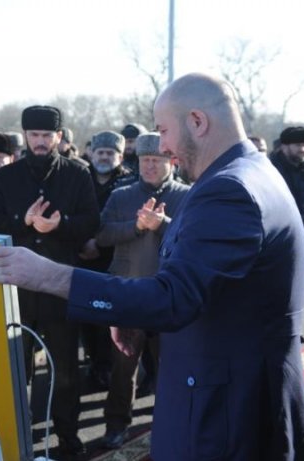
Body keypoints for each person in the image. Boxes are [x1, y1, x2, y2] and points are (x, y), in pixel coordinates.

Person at [0, 73, 304, 460]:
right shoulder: (250, 172)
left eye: (163, 131)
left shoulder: (230, 189)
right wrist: (135, 313)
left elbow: (175, 297)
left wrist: (48, 274)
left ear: (197, 121)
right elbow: (206, 284)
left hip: (227, 413)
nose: (164, 146)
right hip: (237, 394)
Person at [0, 106, 99, 458]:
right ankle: (19, 437)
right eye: (34, 135)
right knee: (18, 370)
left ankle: (68, 438)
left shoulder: (78, 174)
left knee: (64, 371)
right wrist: (25, 221)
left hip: (59, 285)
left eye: (48, 136)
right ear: (26, 137)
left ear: (59, 138)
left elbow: (91, 222)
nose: (41, 142)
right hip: (16, 289)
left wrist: (58, 227)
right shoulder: (7, 177)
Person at [95, 132, 190, 448]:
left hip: (169, 297)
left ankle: (171, 426)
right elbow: (103, 234)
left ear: (170, 162)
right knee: (123, 369)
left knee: (170, 369)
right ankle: (116, 426)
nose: (150, 166)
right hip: (128, 294)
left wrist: (162, 224)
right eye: (145, 160)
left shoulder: (187, 196)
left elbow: (194, 237)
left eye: (157, 160)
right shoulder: (122, 196)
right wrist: (136, 227)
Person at [77, 130, 135, 390]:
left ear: (120, 156)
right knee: (86, 320)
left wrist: (99, 244)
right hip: (81, 258)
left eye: (110, 153)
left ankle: (111, 369)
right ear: (91, 153)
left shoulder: (129, 184)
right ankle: (95, 364)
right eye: (100, 152)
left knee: (110, 321)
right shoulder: (80, 179)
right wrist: (83, 243)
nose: (104, 157)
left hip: (114, 260)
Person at [269, 126, 304, 254]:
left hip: (301, 240)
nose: (303, 149)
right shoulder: (269, 170)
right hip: (272, 242)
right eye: (298, 145)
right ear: (284, 146)